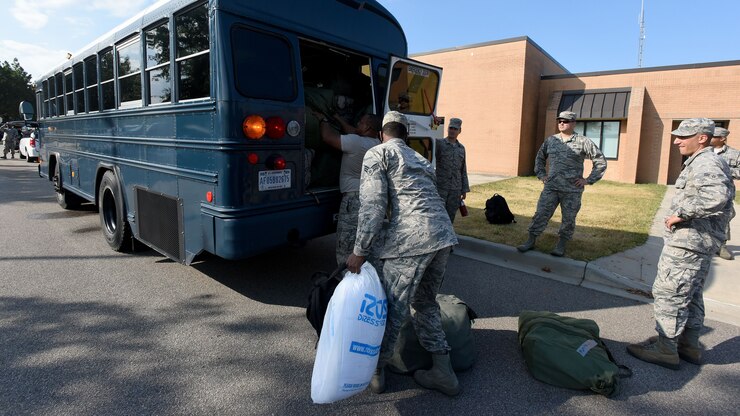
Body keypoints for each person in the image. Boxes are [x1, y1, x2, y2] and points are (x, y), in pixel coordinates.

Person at [346, 111, 460, 396]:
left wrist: (360, 250)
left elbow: (372, 205)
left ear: (381, 133)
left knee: (389, 308)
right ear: (405, 134)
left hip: (412, 238)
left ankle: (376, 371)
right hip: (443, 235)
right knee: (425, 302)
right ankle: (443, 371)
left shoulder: (377, 153)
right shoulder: (420, 159)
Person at [627, 118, 734, 370]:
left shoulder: (706, 161)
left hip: (689, 242)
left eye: (684, 136)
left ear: (702, 138)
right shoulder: (704, 160)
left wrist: (681, 213)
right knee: (692, 293)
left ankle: (666, 348)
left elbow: (717, 196)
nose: (676, 140)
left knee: (670, 292)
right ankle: (689, 345)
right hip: (698, 241)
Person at [517, 111, 607, 257]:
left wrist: (588, 180)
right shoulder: (551, 140)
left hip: (572, 190)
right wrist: (541, 175)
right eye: (559, 121)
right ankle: (530, 241)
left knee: (568, 219)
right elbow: (539, 158)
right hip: (551, 187)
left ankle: (561, 245)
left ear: (573, 123)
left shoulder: (583, 141)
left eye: (565, 121)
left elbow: (600, 161)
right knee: (540, 214)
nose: (561, 123)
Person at [315, 112, 382, 266]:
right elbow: (354, 132)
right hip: (370, 199)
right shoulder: (377, 143)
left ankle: (346, 282)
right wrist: (338, 118)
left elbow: (328, 137)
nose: (357, 123)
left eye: (361, 122)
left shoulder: (355, 143)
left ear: (368, 128)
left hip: (353, 200)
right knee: (363, 244)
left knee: (345, 246)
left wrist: (323, 120)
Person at [710, 127, 739, 260]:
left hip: (724, 192)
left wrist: (724, 170)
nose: (710, 138)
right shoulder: (703, 152)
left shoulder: (735, 154)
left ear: (722, 138)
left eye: (713, 136)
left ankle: (721, 246)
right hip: (704, 190)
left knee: (724, 218)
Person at [435, 117, 470, 223]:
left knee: (450, 216)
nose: (452, 131)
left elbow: (463, 169)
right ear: (447, 129)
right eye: (451, 128)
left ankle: (447, 237)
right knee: (438, 214)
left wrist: (464, 189)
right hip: (441, 187)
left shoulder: (461, 148)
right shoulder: (439, 144)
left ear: (459, 131)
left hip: (456, 188)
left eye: (455, 129)